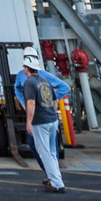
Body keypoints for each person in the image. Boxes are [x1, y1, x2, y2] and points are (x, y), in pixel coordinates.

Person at [17, 52, 70, 193]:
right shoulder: (45, 80)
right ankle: (56, 178)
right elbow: (54, 100)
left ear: (27, 68)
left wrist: (29, 122)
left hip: (40, 122)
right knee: (52, 152)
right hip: (52, 119)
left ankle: (57, 184)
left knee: (44, 152)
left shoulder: (29, 83)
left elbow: (31, 103)